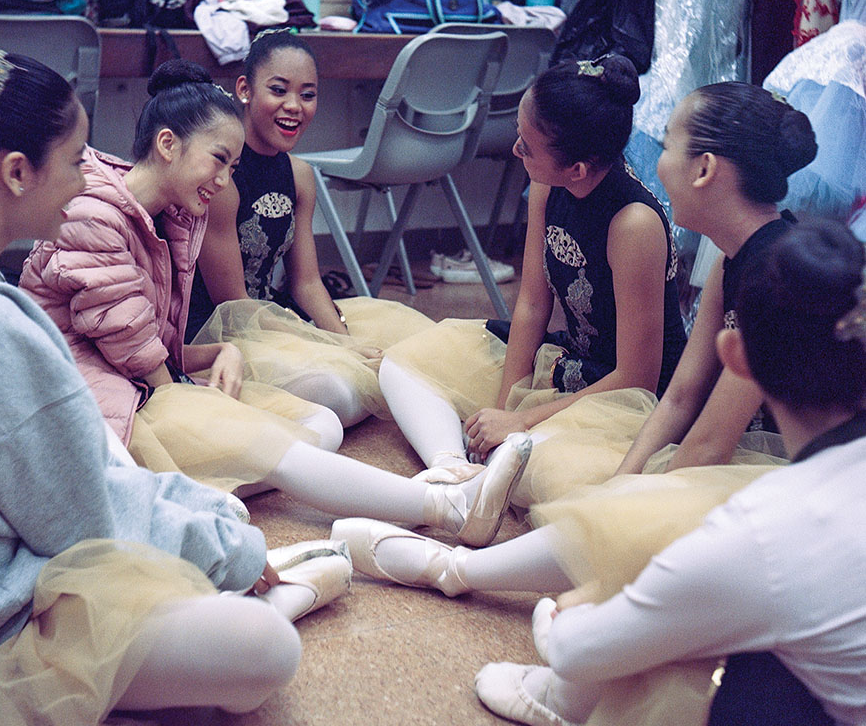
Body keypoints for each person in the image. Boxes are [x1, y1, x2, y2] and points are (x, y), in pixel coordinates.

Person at [0, 35, 347, 726]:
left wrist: (208, 519)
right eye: (75, 162)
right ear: (16, 172)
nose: (89, 177)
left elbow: (76, 475)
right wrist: (235, 543)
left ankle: (250, 583)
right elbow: (83, 519)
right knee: (263, 652)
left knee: (199, 515)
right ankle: (265, 596)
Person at [331, 82, 817, 621]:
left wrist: (627, 504)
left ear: (703, 169)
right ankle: (455, 510)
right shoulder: (734, 259)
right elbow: (681, 396)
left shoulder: (774, 277)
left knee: (639, 517)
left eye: (670, 145)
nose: (656, 164)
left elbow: (703, 442)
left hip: (797, 477)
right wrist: (623, 482)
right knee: (617, 500)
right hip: (682, 420)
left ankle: (454, 570)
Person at [19, 56, 532, 547]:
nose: (224, 180)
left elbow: (152, 346)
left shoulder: (174, 211)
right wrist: (200, 396)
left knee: (324, 426)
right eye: (218, 160)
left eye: (232, 165)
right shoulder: (97, 216)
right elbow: (136, 350)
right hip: (90, 403)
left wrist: (223, 354)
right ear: (168, 144)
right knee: (281, 439)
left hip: (137, 381)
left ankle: (200, 491)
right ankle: (444, 505)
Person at [475, 219, 865, 726]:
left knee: (703, 662)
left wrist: (570, 608)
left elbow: (577, 650)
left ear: (735, 355)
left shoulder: (767, 525)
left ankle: (550, 692)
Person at [377, 53, 687, 503]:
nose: (516, 151)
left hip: (626, 395)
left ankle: (487, 483)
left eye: (526, 146)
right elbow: (532, 305)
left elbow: (637, 376)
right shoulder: (547, 183)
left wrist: (521, 423)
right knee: (400, 368)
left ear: (577, 169)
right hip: (570, 362)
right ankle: (453, 471)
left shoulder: (633, 223)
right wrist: (505, 410)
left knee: (546, 468)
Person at [187, 29, 434, 427]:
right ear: (245, 90)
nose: (294, 106)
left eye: (307, 94)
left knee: (406, 355)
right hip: (221, 330)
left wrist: (346, 343)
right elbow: (233, 303)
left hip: (274, 316)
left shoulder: (301, 175)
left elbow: (306, 282)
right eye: (279, 90)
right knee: (341, 394)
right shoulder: (222, 178)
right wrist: (328, 345)